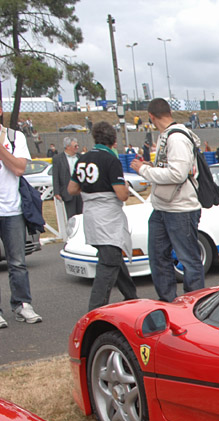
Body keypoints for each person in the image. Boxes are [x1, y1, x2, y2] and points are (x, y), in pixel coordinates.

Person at [129, 97, 206, 303]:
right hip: (162, 207)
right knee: (157, 257)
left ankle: (194, 303)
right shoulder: (167, 137)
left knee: (188, 259)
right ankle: (168, 301)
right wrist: (151, 168)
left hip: (181, 209)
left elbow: (177, 174)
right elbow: (171, 170)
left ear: (151, 117)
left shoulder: (177, 138)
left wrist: (144, 170)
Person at [65, 122, 138, 311]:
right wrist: (126, 187)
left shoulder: (83, 159)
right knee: (109, 262)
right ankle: (95, 309)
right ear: (113, 140)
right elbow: (121, 194)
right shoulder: (110, 160)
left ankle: (132, 296)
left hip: (91, 214)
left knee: (112, 255)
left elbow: (72, 189)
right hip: (107, 217)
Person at [0, 103, 42, 326]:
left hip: (12, 209)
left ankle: (22, 304)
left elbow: (18, 168)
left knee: (17, 262)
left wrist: (0, 148)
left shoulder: (15, 137)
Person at [53, 136, 83, 218]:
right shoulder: (58, 159)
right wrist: (56, 192)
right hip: (67, 192)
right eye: (75, 146)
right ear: (67, 147)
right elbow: (55, 176)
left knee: (82, 216)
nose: (77, 148)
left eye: (77, 146)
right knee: (71, 217)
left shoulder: (81, 157)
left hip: (81, 191)